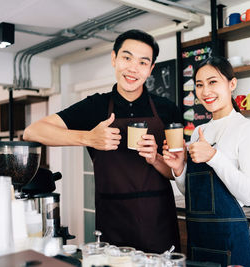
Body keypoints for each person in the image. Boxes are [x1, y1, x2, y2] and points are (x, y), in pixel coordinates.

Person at [23, 29, 181, 253]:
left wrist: (155, 158)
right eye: (127, 58)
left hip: (159, 222)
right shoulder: (95, 106)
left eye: (143, 62)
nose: (133, 68)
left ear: (151, 69)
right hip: (113, 221)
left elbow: (174, 172)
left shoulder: (167, 109)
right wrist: (88, 137)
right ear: (114, 59)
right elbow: (33, 132)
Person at [163, 56, 250, 267]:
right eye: (199, 85)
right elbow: (194, 193)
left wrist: (214, 157)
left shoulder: (247, 128)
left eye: (213, 82)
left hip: (231, 242)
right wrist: (179, 168)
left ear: (232, 84)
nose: (205, 91)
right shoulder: (199, 132)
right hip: (199, 240)